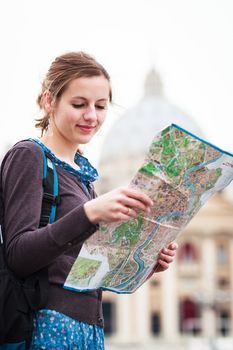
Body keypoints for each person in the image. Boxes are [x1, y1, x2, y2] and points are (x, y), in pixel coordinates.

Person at [1, 51, 178, 349]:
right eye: (79, 104)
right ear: (50, 100)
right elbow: (18, 254)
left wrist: (146, 262)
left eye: (100, 106)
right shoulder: (29, 156)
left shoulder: (84, 178)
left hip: (89, 331)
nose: (92, 117)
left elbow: (89, 274)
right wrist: (89, 213)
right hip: (47, 327)